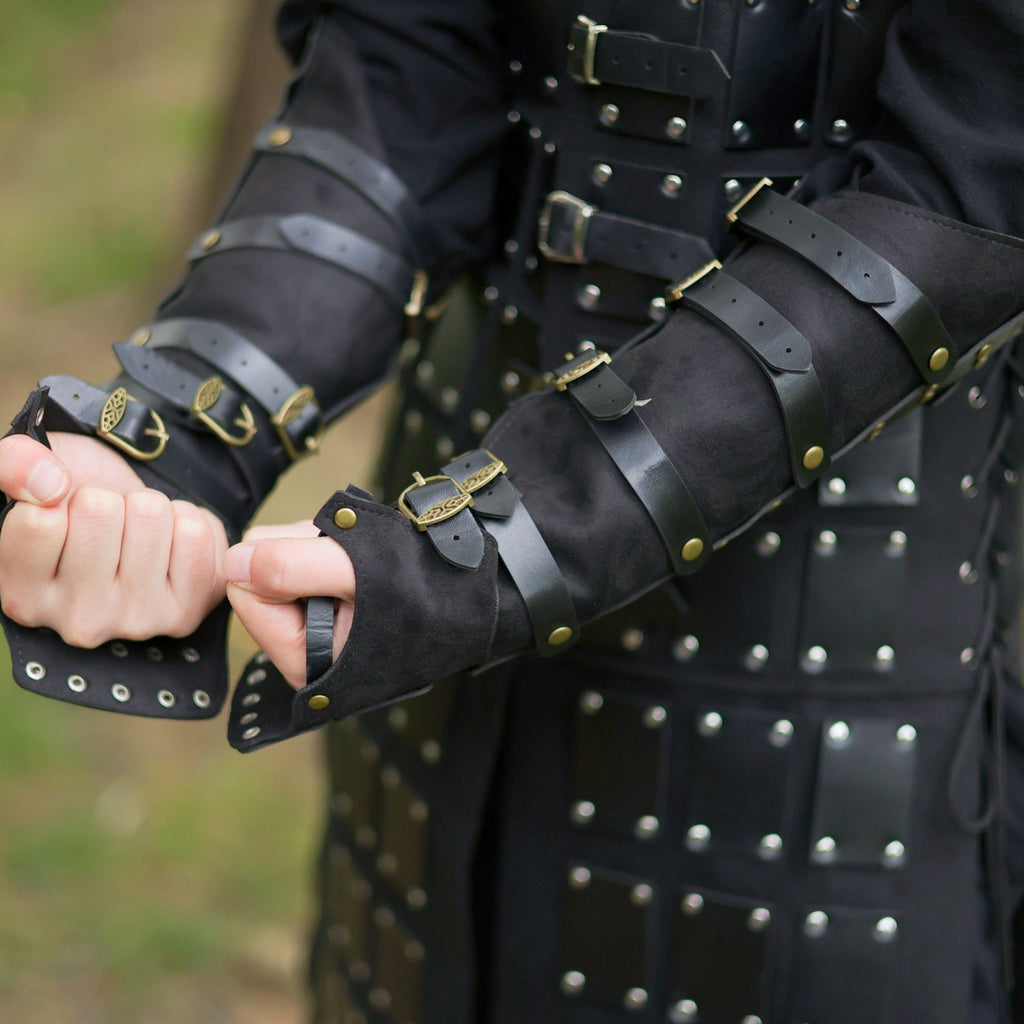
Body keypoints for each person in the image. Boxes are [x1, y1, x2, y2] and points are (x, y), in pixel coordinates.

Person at [2, 1, 1024, 1021]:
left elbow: (961, 191)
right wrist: (185, 427)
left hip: (841, 705)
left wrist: (490, 547)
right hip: (446, 714)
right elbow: (405, 74)